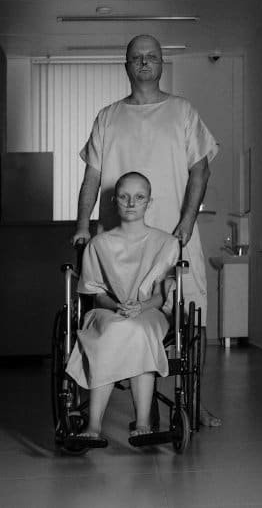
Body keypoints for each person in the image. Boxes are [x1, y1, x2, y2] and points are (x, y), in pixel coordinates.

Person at [71, 33, 223, 427]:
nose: (144, 62)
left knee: (192, 320)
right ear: (126, 66)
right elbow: (92, 177)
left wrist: (186, 222)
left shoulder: (183, 111)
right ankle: (123, 405)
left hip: (173, 238)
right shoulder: (108, 116)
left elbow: (200, 168)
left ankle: (195, 403)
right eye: (136, 57)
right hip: (119, 244)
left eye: (152, 57)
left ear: (161, 64)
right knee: (121, 317)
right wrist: (83, 226)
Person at [65, 172, 179, 447]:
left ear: (148, 202)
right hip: (108, 311)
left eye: (139, 197)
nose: (131, 203)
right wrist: (118, 306)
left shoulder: (166, 243)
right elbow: (95, 293)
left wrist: (140, 306)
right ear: (115, 200)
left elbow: (163, 292)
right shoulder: (99, 244)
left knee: (140, 331)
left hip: (150, 312)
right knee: (113, 329)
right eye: (125, 197)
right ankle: (93, 425)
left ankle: (142, 424)